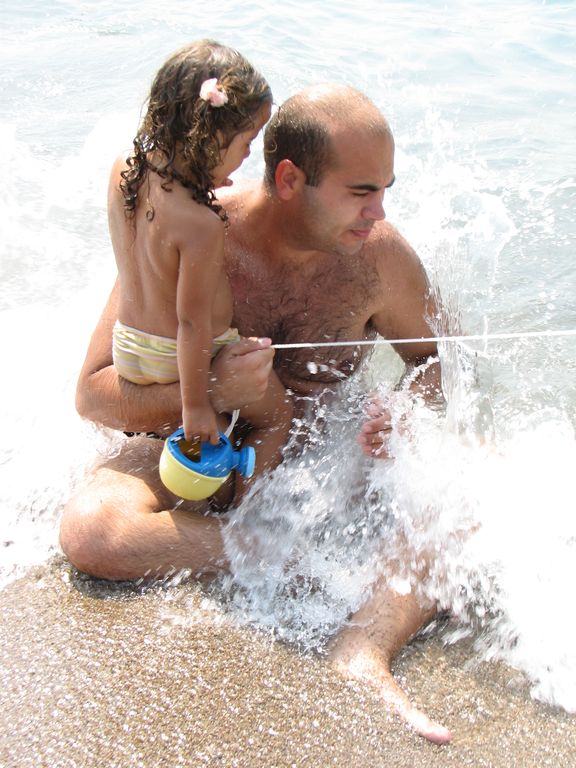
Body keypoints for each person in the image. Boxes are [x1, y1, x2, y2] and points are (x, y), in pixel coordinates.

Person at [60, 84, 451, 744]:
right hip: (191, 448)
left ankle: (363, 649)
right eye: (361, 192)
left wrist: (409, 408)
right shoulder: (193, 234)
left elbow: (440, 362)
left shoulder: (381, 261)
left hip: (319, 461)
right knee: (93, 531)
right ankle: (279, 557)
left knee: (462, 499)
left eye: (386, 190)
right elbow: (94, 393)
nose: (379, 211)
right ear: (291, 179)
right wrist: (212, 388)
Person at [110, 39, 291, 488]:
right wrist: (196, 404)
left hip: (129, 348)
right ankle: (247, 509)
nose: (248, 156)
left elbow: (147, 250)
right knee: (278, 415)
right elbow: (191, 323)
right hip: (184, 361)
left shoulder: (123, 171)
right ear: (208, 137)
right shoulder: (201, 225)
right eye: (246, 142)